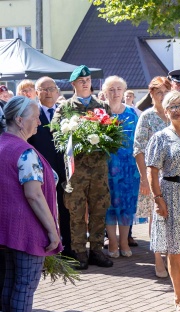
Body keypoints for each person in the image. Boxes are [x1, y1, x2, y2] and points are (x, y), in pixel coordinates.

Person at [0, 96, 62, 312]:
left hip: (6, 229)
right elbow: (34, 194)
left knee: (10, 283)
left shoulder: (3, 144)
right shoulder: (24, 152)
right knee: (24, 285)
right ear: (19, 119)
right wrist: (52, 231)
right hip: (26, 230)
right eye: (35, 117)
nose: (39, 121)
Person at [51, 65, 113, 270]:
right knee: (76, 211)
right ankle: (78, 252)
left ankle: (96, 250)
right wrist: (75, 139)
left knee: (99, 209)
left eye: (87, 79)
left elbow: (113, 132)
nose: (85, 82)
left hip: (98, 168)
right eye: (81, 80)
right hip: (76, 169)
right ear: (74, 84)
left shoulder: (103, 106)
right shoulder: (65, 107)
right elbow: (56, 134)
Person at [146, 90, 180, 312]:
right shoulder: (160, 137)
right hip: (169, 194)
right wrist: (157, 199)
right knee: (175, 251)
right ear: (165, 112)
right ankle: (179, 299)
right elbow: (152, 170)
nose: (177, 110)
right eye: (171, 107)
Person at [28, 77, 72, 258]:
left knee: (66, 208)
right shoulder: (31, 114)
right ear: (36, 92)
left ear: (57, 92)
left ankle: (68, 248)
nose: (48, 92)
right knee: (45, 210)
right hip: (41, 170)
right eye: (43, 89)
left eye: (51, 88)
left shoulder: (66, 114)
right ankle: (45, 249)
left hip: (65, 170)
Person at [133, 76, 172, 277]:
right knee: (156, 218)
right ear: (151, 95)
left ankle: (172, 257)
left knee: (173, 217)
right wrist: (144, 178)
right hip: (153, 175)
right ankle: (158, 258)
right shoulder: (147, 117)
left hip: (174, 175)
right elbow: (138, 148)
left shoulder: (175, 113)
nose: (163, 96)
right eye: (159, 93)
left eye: (166, 92)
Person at [102, 76, 140, 258]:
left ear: (124, 91)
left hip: (129, 168)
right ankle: (113, 242)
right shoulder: (100, 114)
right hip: (106, 167)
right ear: (105, 92)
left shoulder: (133, 113)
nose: (115, 93)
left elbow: (139, 142)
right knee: (108, 205)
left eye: (118, 89)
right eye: (111, 89)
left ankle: (124, 241)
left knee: (126, 204)